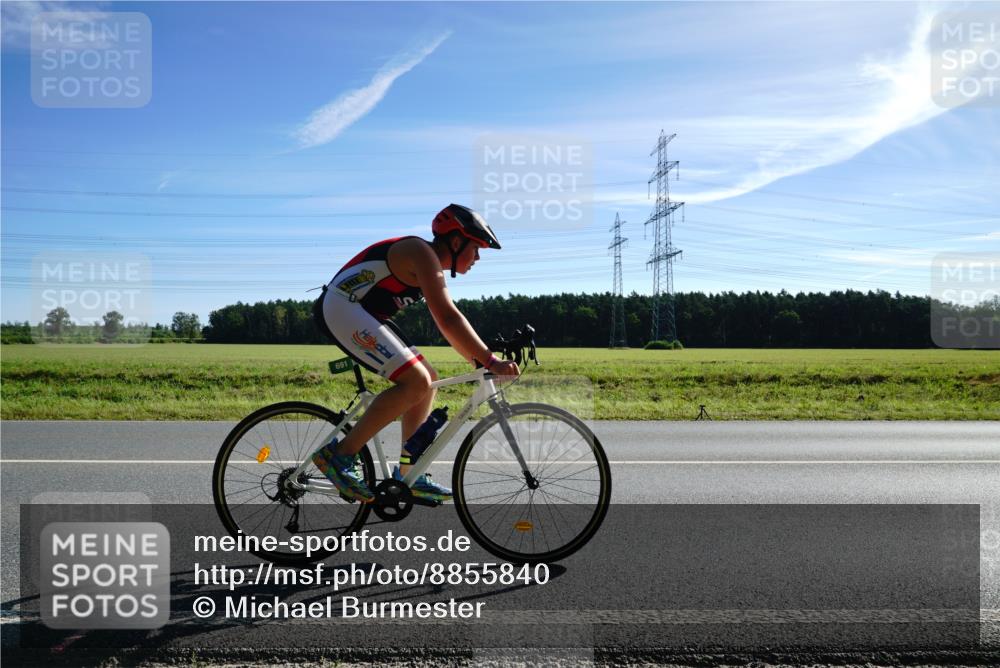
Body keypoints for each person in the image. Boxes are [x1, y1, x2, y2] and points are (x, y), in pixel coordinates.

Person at [312, 204, 520, 503]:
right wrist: (490, 360)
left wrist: (480, 361)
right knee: (415, 381)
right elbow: (447, 318)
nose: (477, 257)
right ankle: (339, 456)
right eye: (476, 248)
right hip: (342, 306)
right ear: (457, 241)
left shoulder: (428, 260)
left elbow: (448, 327)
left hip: (365, 311)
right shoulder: (421, 253)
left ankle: (409, 473)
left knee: (427, 380)